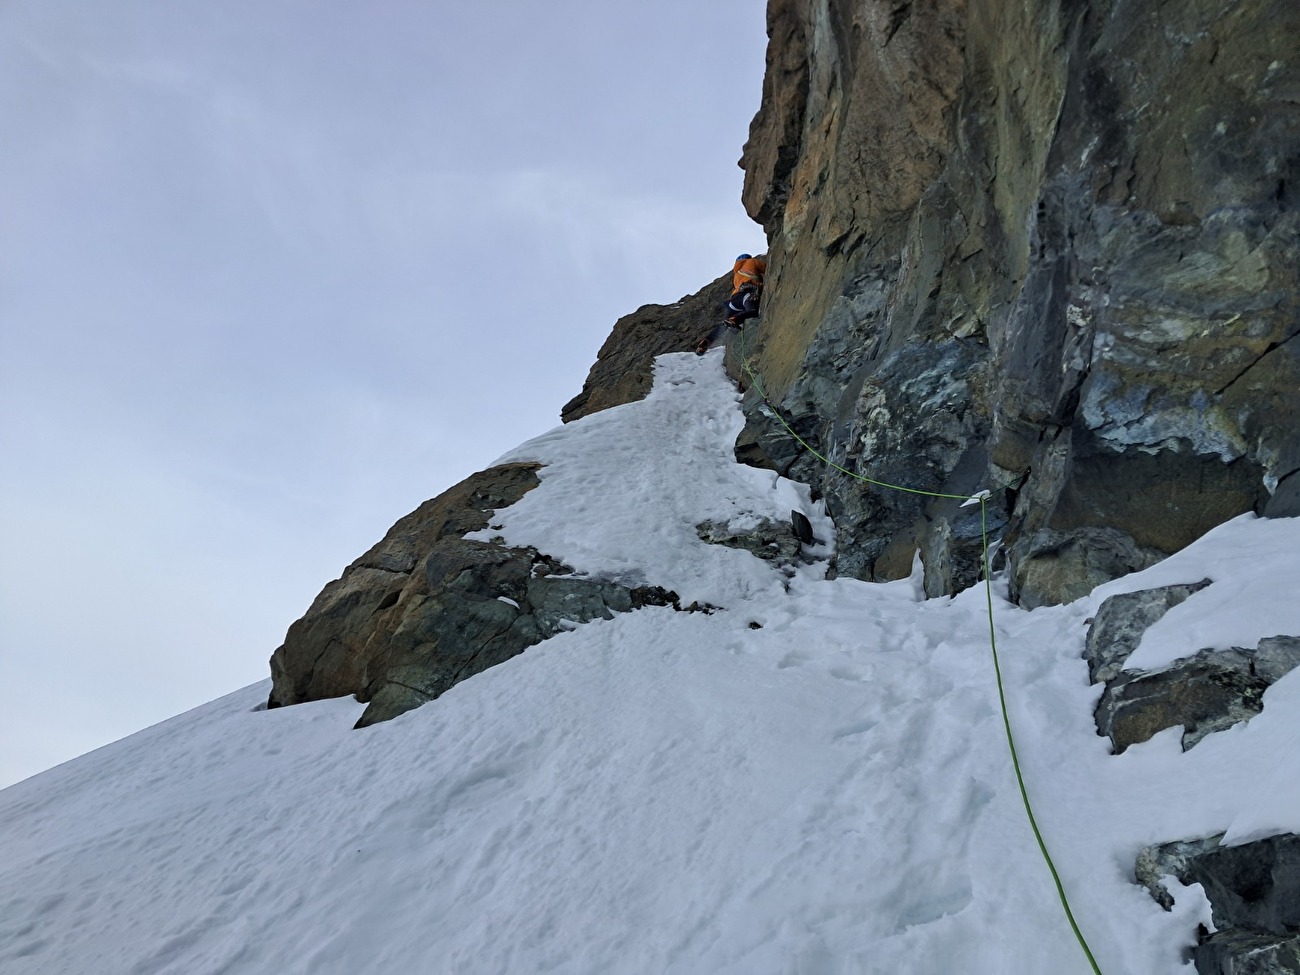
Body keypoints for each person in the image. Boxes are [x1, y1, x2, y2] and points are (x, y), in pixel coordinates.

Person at [696, 253, 768, 355]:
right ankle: (734, 320)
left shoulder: (736, 274)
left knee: (724, 324)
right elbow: (767, 269)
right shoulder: (752, 261)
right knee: (752, 311)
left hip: (734, 301)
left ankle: (707, 340)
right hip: (747, 293)